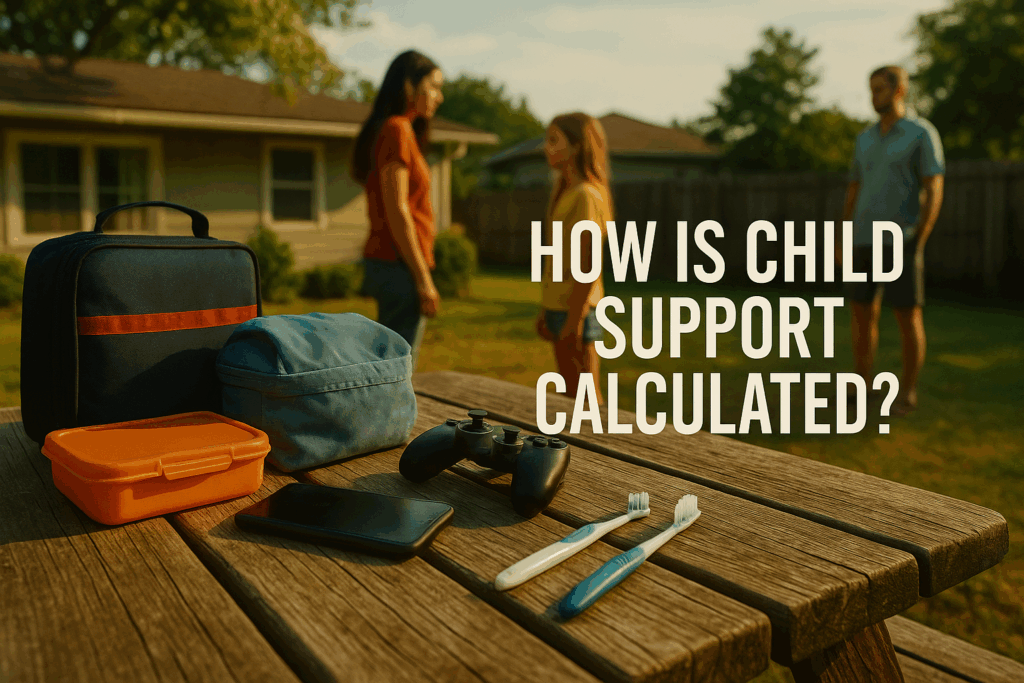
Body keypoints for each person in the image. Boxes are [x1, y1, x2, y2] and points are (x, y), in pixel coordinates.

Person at [840, 65, 945, 416]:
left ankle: (907, 392)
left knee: (907, 317)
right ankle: (861, 387)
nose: (874, 96)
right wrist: (843, 236)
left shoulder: (921, 133)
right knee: (861, 315)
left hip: (901, 240)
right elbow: (854, 188)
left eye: (880, 89)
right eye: (870, 90)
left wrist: (921, 239)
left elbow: (934, 187)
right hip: (862, 241)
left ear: (899, 91)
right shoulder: (864, 138)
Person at [352, 50, 444, 366]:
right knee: (397, 366)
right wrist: (423, 280)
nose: (439, 97)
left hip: (394, 263)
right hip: (398, 265)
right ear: (411, 86)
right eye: (434, 86)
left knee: (391, 363)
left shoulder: (398, 130)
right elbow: (398, 210)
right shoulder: (397, 129)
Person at [535, 113, 614, 406]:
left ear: (577, 146)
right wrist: (546, 309)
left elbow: (589, 264)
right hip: (558, 308)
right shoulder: (564, 191)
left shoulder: (587, 195)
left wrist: (575, 318)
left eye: (554, 140)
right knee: (570, 398)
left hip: (578, 309)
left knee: (588, 400)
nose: (547, 147)